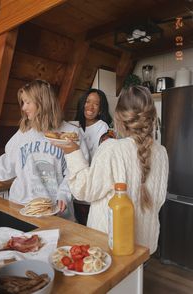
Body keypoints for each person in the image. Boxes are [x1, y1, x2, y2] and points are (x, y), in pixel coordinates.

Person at [53, 85, 169, 254]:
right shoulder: (161, 152)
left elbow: (84, 191)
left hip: (109, 245)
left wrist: (71, 152)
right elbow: (158, 199)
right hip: (143, 245)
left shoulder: (112, 149)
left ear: (119, 117)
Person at [0, 79, 89, 221]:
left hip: (55, 210)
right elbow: (3, 166)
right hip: (21, 208)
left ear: (42, 102)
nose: (23, 108)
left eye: (28, 102)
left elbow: (77, 173)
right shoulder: (23, 134)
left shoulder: (71, 133)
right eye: (23, 102)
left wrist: (64, 194)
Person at [73, 88, 113, 225]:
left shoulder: (102, 127)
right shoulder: (74, 127)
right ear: (82, 103)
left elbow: (101, 161)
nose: (90, 107)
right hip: (73, 189)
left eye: (96, 104)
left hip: (90, 190)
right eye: (88, 102)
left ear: (101, 109)